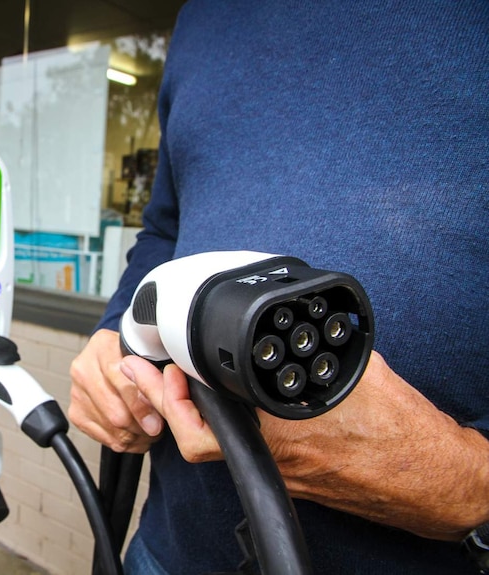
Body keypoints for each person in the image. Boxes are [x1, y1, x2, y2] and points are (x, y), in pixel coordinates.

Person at [69, 2, 489, 573]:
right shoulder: (206, 16)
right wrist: (115, 331)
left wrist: (469, 485)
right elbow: (164, 227)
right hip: (169, 548)